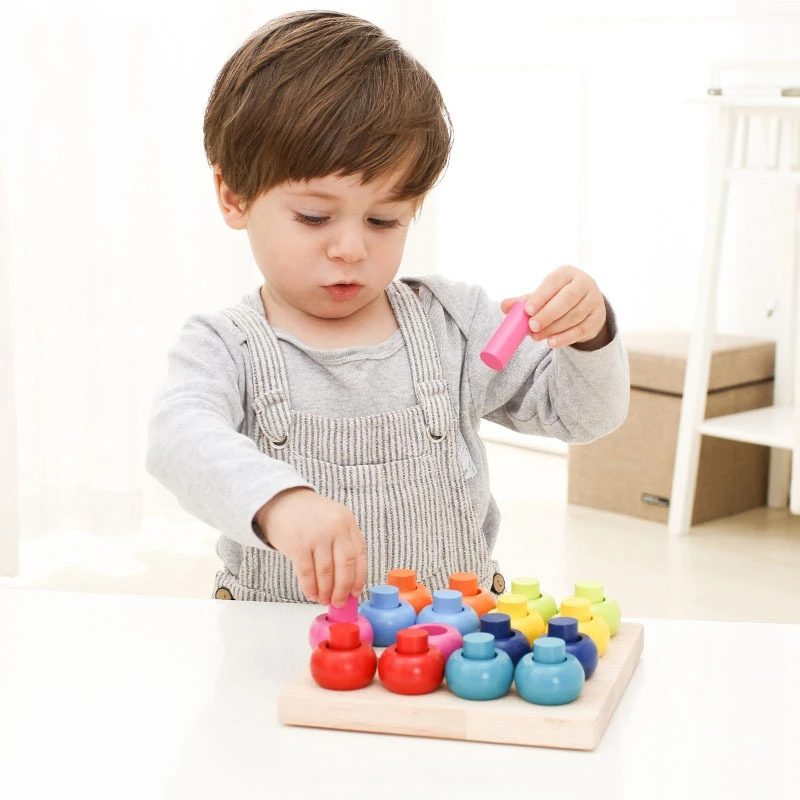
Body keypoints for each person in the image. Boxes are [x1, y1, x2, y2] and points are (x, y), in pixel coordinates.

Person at [146, 10, 629, 609]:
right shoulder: (223, 346)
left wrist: (589, 335)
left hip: (450, 650)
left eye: (384, 220)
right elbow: (178, 440)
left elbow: (583, 417)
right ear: (233, 195)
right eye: (314, 217)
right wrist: (279, 502)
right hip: (279, 653)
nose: (350, 248)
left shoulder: (454, 322)